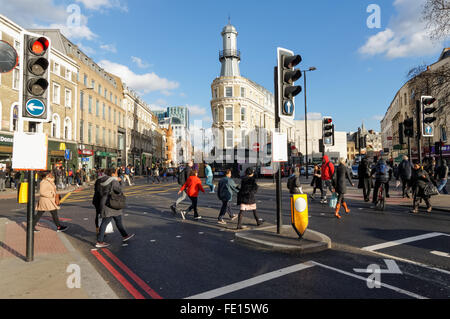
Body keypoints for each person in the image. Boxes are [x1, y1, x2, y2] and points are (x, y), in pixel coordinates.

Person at [96, 168, 135, 248]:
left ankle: (125, 236)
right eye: (116, 173)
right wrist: (122, 181)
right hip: (112, 204)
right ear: (113, 174)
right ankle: (99, 241)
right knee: (105, 222)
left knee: (118, 221)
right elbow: (119, 190)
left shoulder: (101, 179)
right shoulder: (113, 180)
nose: (117, 174)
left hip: (105, 202)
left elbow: (98, 191)